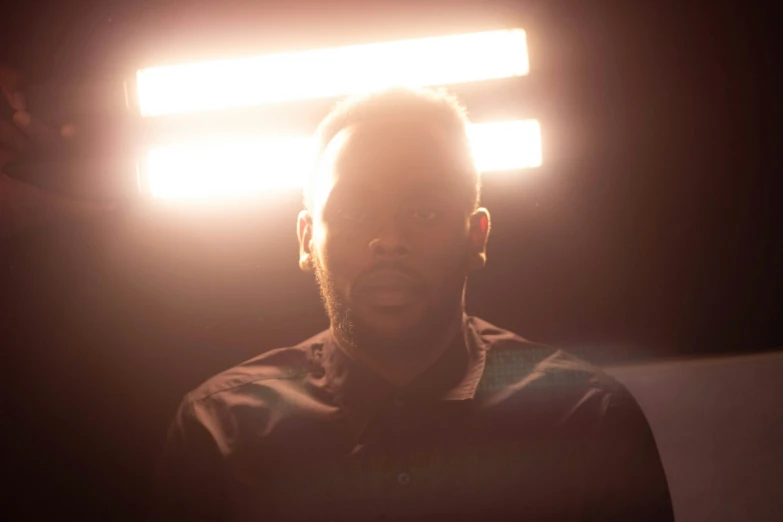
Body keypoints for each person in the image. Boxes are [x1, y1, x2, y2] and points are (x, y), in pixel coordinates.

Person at [154, 86, 674, 522]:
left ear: (476, 236)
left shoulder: (588, 422)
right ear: (307, 239)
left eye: (424, 211)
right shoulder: (218, 433)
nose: (389, 239)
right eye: (355, 211)